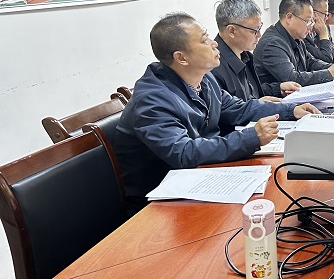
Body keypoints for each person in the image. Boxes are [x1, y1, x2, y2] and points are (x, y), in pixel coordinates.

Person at [116, 12, 319, 215]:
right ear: (181, 58)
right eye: (204, 40)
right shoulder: (152, 99)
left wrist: (290, 110)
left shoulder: (204, 79)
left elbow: (238, 108)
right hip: (158, 206)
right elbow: (183, 153)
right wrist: (250, 138)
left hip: (203, 179)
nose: (214, 43)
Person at [211, 0, 300, 103]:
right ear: (231, 31)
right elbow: (228, 109)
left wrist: (278, 88)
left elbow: (251, 93)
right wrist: (257, 105)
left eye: (259, 28)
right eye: (254, 30)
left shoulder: (246, 56)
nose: (259, 35)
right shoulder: (214, 67)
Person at [254, 0, 334, 86]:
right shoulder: (272, 44)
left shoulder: (296, 37)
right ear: (289, 17)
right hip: (278, 97)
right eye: (307, 21)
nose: (311, 26)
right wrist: (329, 73)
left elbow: (310, 62)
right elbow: (292, 78)